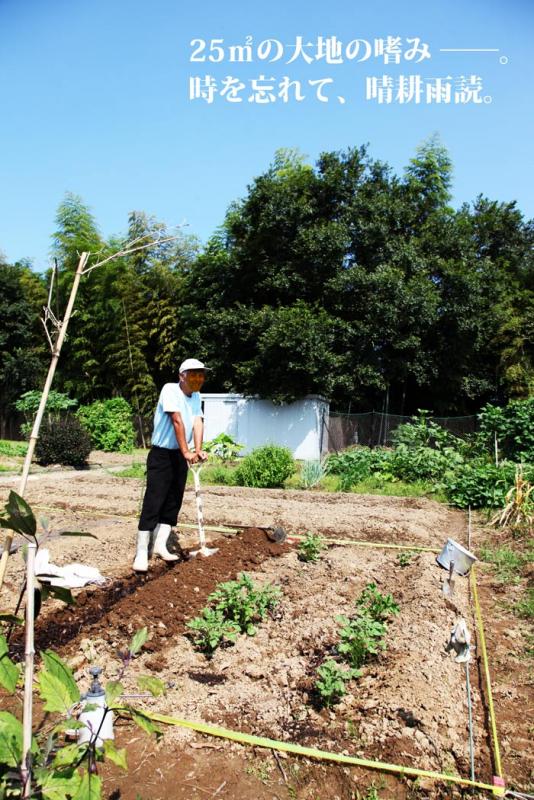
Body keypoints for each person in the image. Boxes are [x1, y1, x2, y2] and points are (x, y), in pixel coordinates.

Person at [133, 358, 209, 572]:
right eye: (194, 374)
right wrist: (187, 451)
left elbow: (197, 422)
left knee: (173, 500)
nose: (198, 378)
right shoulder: (169, 390)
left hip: (179, 456)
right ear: (182, 376)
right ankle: (141, 552)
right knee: (153, 501)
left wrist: (198, 450)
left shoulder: (196, 396)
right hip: (162, 454)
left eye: (201, 374)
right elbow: (177, 420)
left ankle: (160, 545)